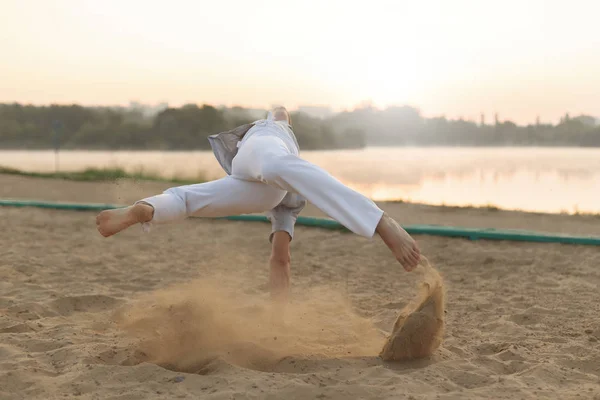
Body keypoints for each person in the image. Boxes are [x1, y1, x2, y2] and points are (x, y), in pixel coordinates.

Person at [96, 106, 421, 301]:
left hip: (248, 175)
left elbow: (280, 260)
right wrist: (280, 118)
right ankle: (382, 222)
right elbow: (280, 111)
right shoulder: (277, 134)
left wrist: (277, 318)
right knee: (278, 168)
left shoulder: (283, 194)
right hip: (262, 161)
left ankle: (146, 209)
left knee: (189, 198)